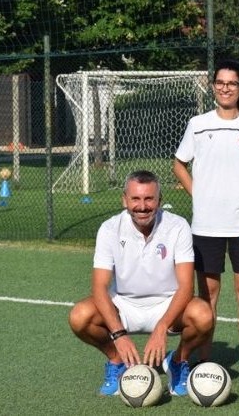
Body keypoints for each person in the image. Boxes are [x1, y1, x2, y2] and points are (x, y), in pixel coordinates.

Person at [68, 170, 214, 397]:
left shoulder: (178, 226)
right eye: (135, 199)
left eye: (149, 199)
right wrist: (118, 336)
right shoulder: (109, 229)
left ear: (159, 200)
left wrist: (162, 327)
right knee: (80, 316)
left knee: (204, 316)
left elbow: (187, 287)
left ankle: (177, 362)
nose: (142, 206)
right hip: (124, 305)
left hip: (168, 306)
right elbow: (99, 287)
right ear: (124, 200)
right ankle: (118, 363)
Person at [173, 59, 239, 386]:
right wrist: (198, 194)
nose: (226, 87)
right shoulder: (198, 124)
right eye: (220, 82)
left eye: (232, 83)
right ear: (213, 86)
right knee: (207, 296)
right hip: (207, 226)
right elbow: (179, 164)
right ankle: (204, 362)